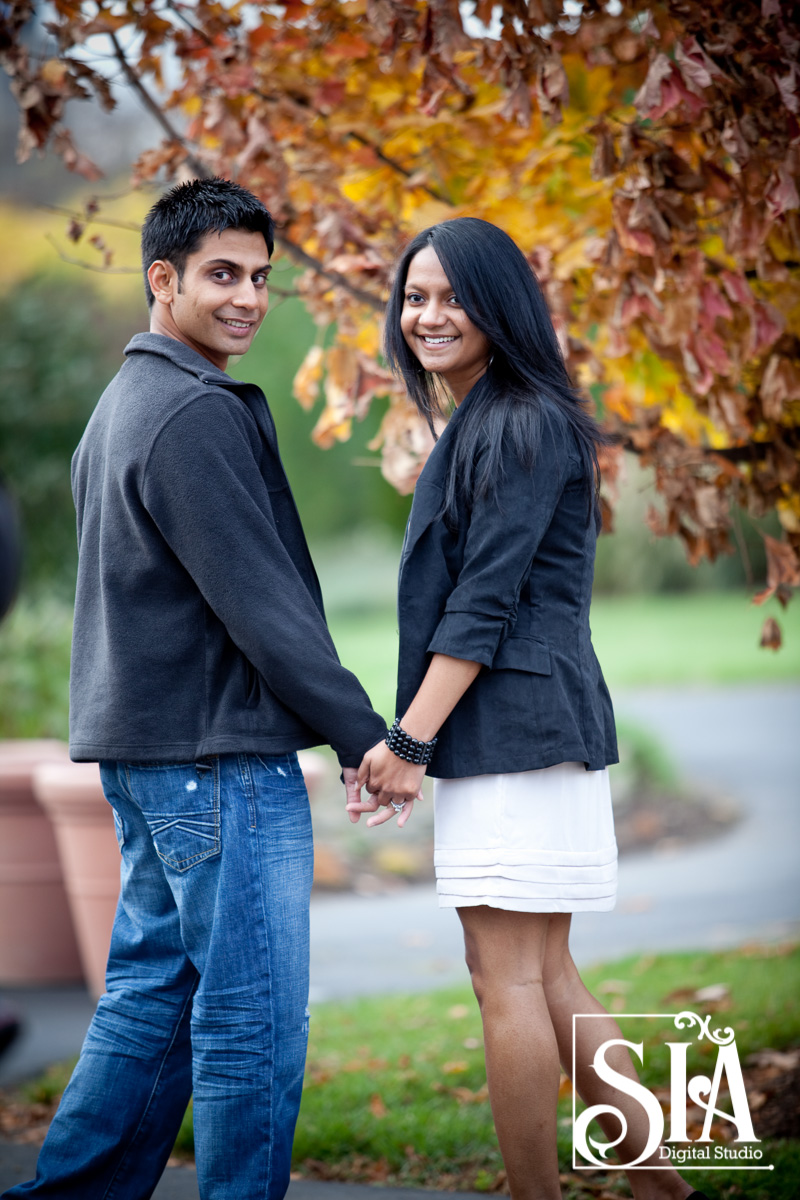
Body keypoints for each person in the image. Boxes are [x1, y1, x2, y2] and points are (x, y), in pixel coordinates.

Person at [3, 177, 386, 1200]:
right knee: (248, 1022)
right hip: (215, 765)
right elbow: (263, 607)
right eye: (222, 275)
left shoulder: (123, 405)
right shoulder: (188, 413)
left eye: (261, 277)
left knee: (151, 997)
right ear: (159, 278)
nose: (249, 298)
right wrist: (363, 735)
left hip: (153, 759)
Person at [347, 218, 709, 1200]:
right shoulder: (501, 415)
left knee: (504, 981)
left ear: (498, 304)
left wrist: (407, 739)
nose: (426, 315)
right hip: (525, 725)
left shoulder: (515, 420)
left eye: (450, 297)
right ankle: (661, 1187)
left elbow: (483, 601)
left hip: (513, 727)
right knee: (542, 978)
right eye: (412, 297)